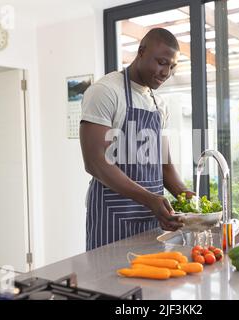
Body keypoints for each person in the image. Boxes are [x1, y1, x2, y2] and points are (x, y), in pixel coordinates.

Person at [80, 28, 194, 251]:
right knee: (109, 283)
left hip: (152, 218)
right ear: (141, 51)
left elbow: (164, 165)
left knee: (152, 283)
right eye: (161, 62)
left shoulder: (159, 105)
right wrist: (150, 199)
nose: (166, 72)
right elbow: (96, 163)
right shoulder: (106, 91)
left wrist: (190, 200)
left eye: (172, 67)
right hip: (112, 217)